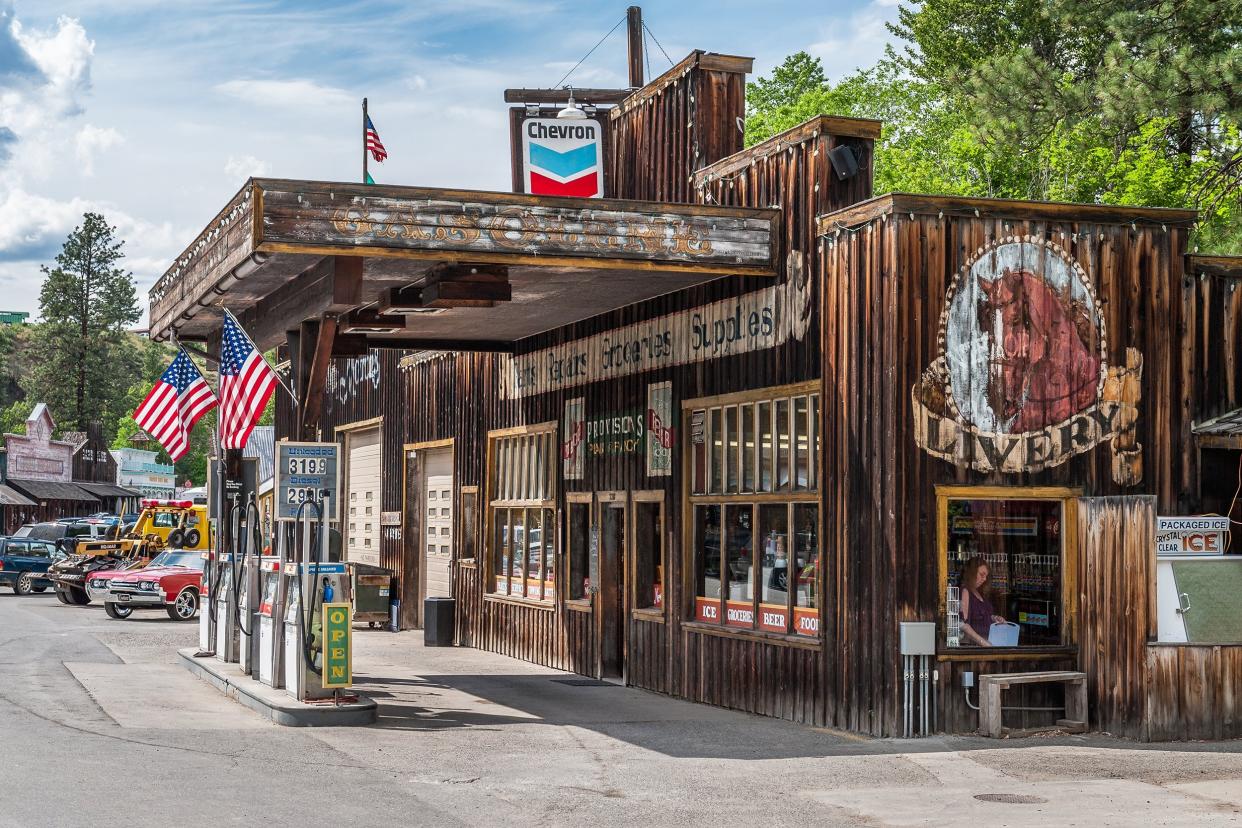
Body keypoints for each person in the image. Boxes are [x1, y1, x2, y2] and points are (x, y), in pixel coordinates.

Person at [959, 556, 1005, 646]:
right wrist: (985, 644)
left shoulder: (979, 592)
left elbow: (981, 615)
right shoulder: (965, 591)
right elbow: (963, 625)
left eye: (986, 576)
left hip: (988, 644)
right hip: (976, 648)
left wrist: (994, 618)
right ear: (971, 573)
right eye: (981, 574)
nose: (984, 579)